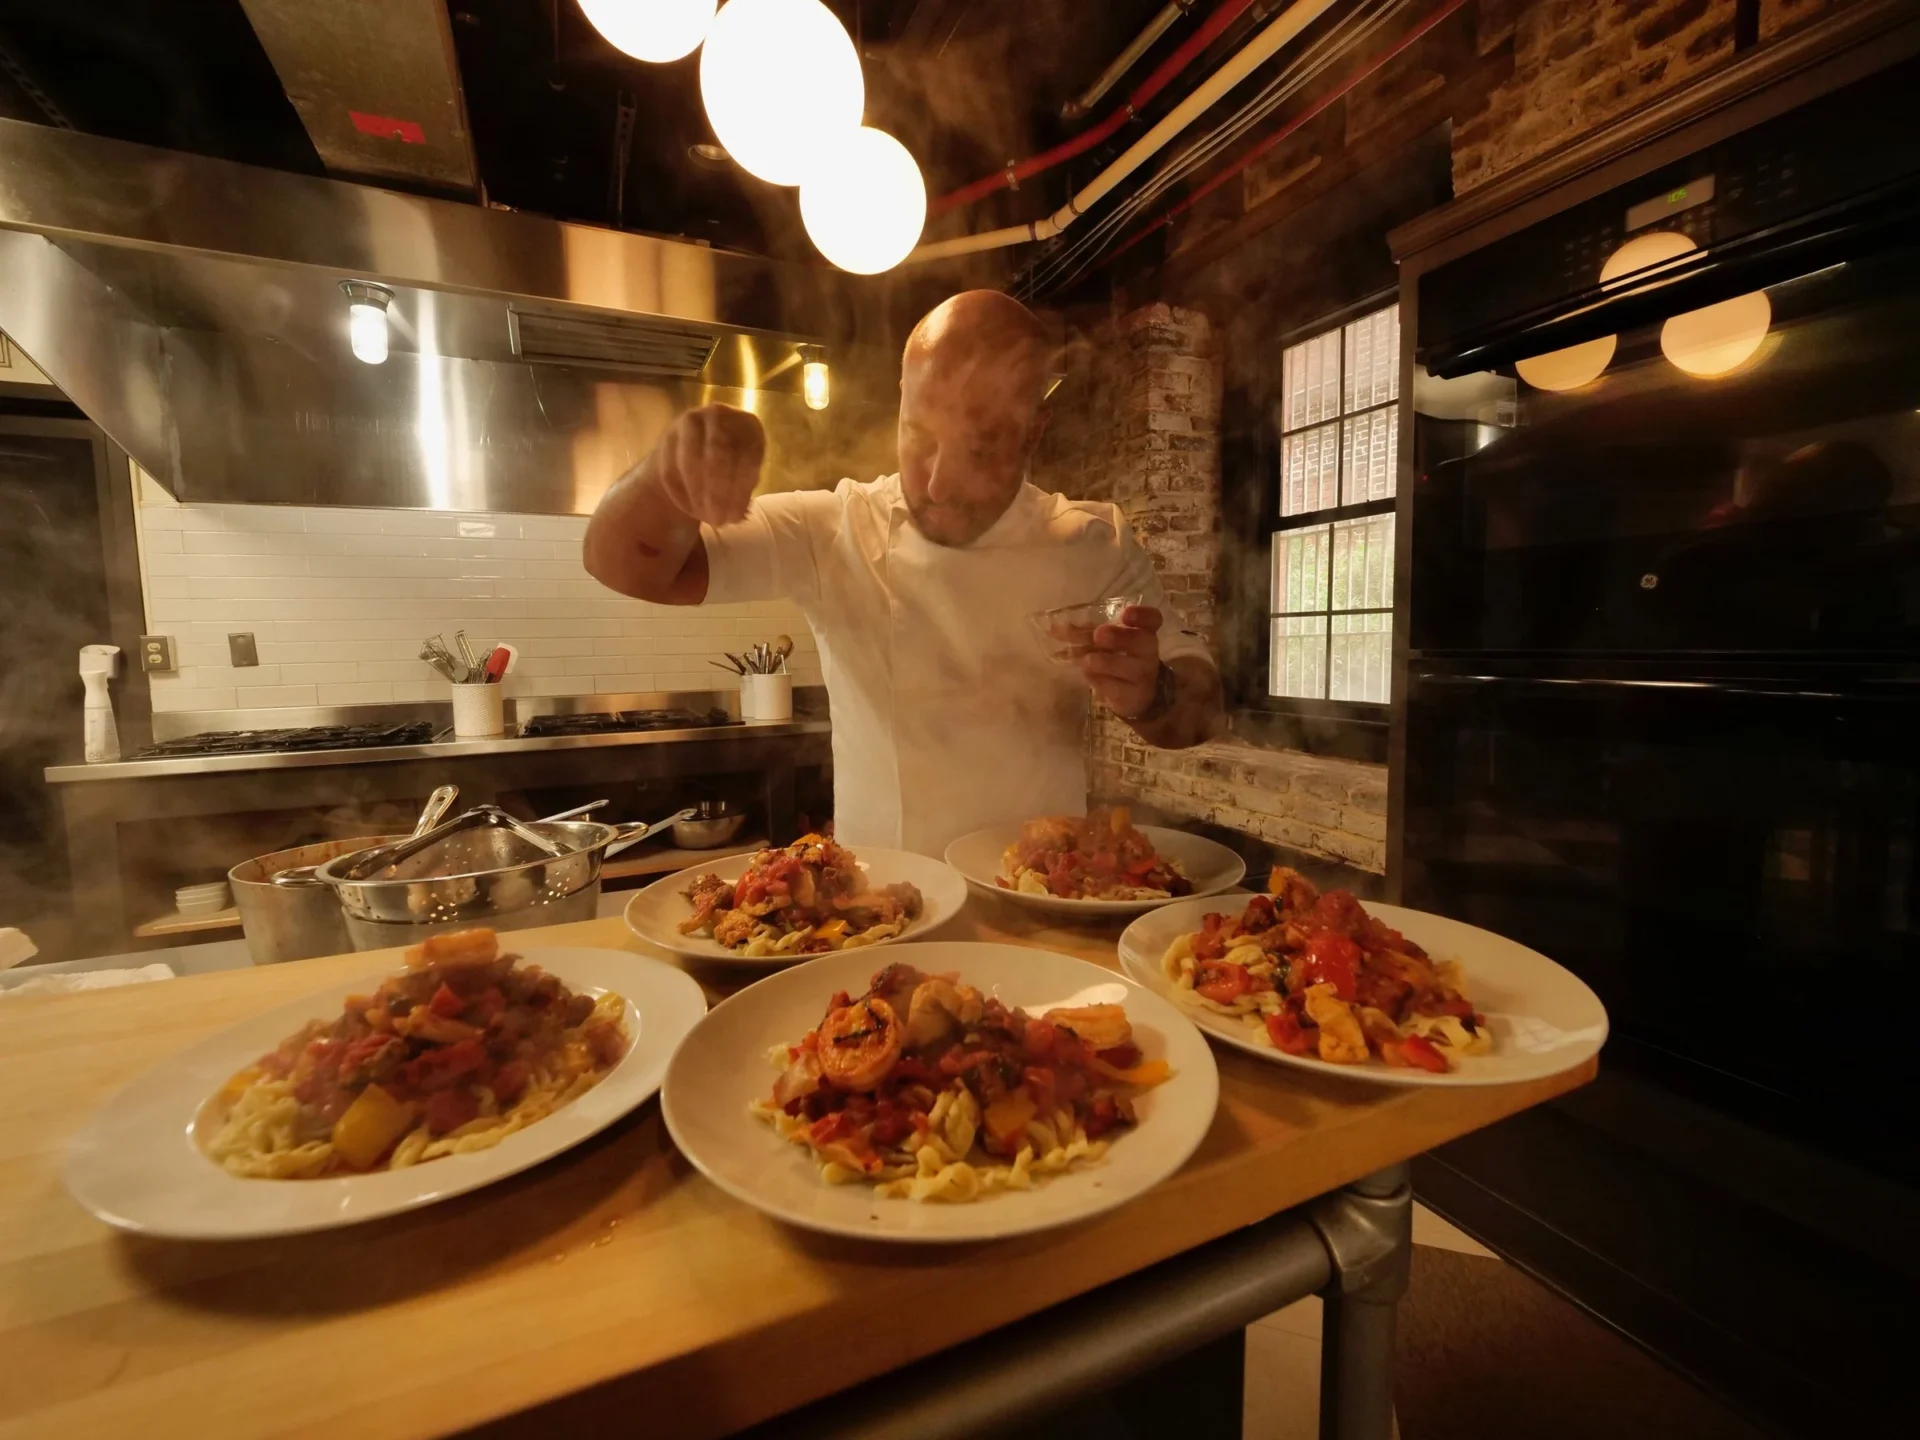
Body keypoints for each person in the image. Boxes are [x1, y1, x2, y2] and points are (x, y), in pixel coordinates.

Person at [584, 289, 1224, 855]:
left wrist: (1153, 693)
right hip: (887, 919)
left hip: (1043, 910)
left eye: (979, 446)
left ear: (1035, 432)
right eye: (919, 435)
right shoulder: (833, 529)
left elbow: (1200, 712)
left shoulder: (1092, 541)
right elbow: (624, 566)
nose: (939, 482)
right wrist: (667, 475)